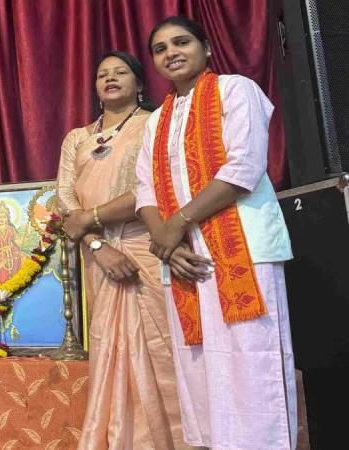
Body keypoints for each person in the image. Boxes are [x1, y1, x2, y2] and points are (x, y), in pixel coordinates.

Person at [136, 16, 297, 449]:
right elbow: (145, 189)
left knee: (251, 362)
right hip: (184, 258)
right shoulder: (156, 121)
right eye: (160, 48)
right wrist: (168, 244)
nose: (171, 52)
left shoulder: (236, 90)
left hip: (242, 249)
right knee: (200, 368)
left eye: (181, 42)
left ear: (206, 48)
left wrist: (176, 226)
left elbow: (244, 167)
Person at [56, 51, 189, 449]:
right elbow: (64, 200)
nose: (110, 78)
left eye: (120, 72)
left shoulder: (155, 124)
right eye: (102, 75)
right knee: (110, 350)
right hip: (99, 257)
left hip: (145, 245)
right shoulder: (77, 138)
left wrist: (91, 217)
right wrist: (97, 244)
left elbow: (154, 188)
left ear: (140, 83)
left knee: (158, 348)